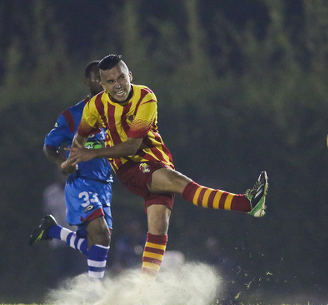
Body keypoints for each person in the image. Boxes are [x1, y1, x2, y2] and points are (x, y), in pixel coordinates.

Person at [64, 54, 268, 276]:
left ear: (130, 76)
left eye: (121, 78)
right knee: (179, 183)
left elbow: (132, 144)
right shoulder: (96, 106)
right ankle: (247, 204)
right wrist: (73, 158)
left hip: (156, 161)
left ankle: (145, 291)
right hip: (131, 168)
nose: (118, 85)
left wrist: (90, 153)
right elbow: (82, 137)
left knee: (158, 228)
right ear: (102, 85)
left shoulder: (145, 97)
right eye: (110, 82)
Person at [30, 61, 114, 280]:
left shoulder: (119, 112)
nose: (101, 82)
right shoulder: (72, 115)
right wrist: (61, 163)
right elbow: (49, 147)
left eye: (105, 77)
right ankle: (96, 294)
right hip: (81, 181)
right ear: (86, 82)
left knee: (97, 244)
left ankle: (53, 230)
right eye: (96, 77)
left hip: (104, 183)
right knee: (101, 232)